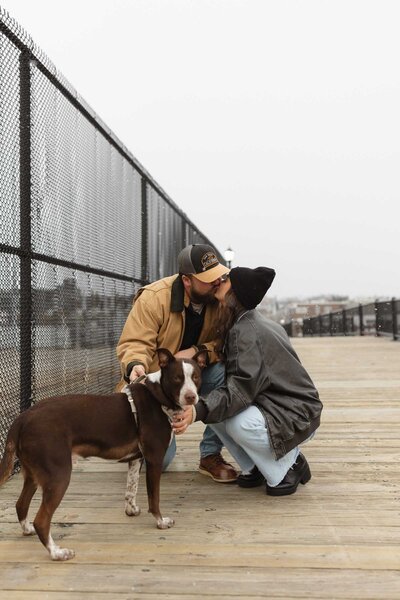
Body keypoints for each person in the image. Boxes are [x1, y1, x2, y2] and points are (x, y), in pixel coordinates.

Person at [173, 266, 323, 496]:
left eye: (225, 280)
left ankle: (289, 464)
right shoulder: (244, 322)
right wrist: (202, 409)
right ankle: (254, 466)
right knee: (215, 414)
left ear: (236, 294)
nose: (218, 282)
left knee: (237, 422)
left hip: (296, 413)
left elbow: (240, 391)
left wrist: (197, 410)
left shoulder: (247, 331)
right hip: (276, 404)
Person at [116, 243, 238, 483]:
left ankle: (210, 455)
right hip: (154, 385)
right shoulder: (154, 298)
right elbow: (134, 341)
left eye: (218, 275)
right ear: (187, 280)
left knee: (227, 374)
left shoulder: (220, 299)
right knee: (158, 462)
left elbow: (224, 343)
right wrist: (135, 365)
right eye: (208, 278)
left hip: (196, 376)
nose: (216, 282)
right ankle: (135, 442)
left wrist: (195, 351)